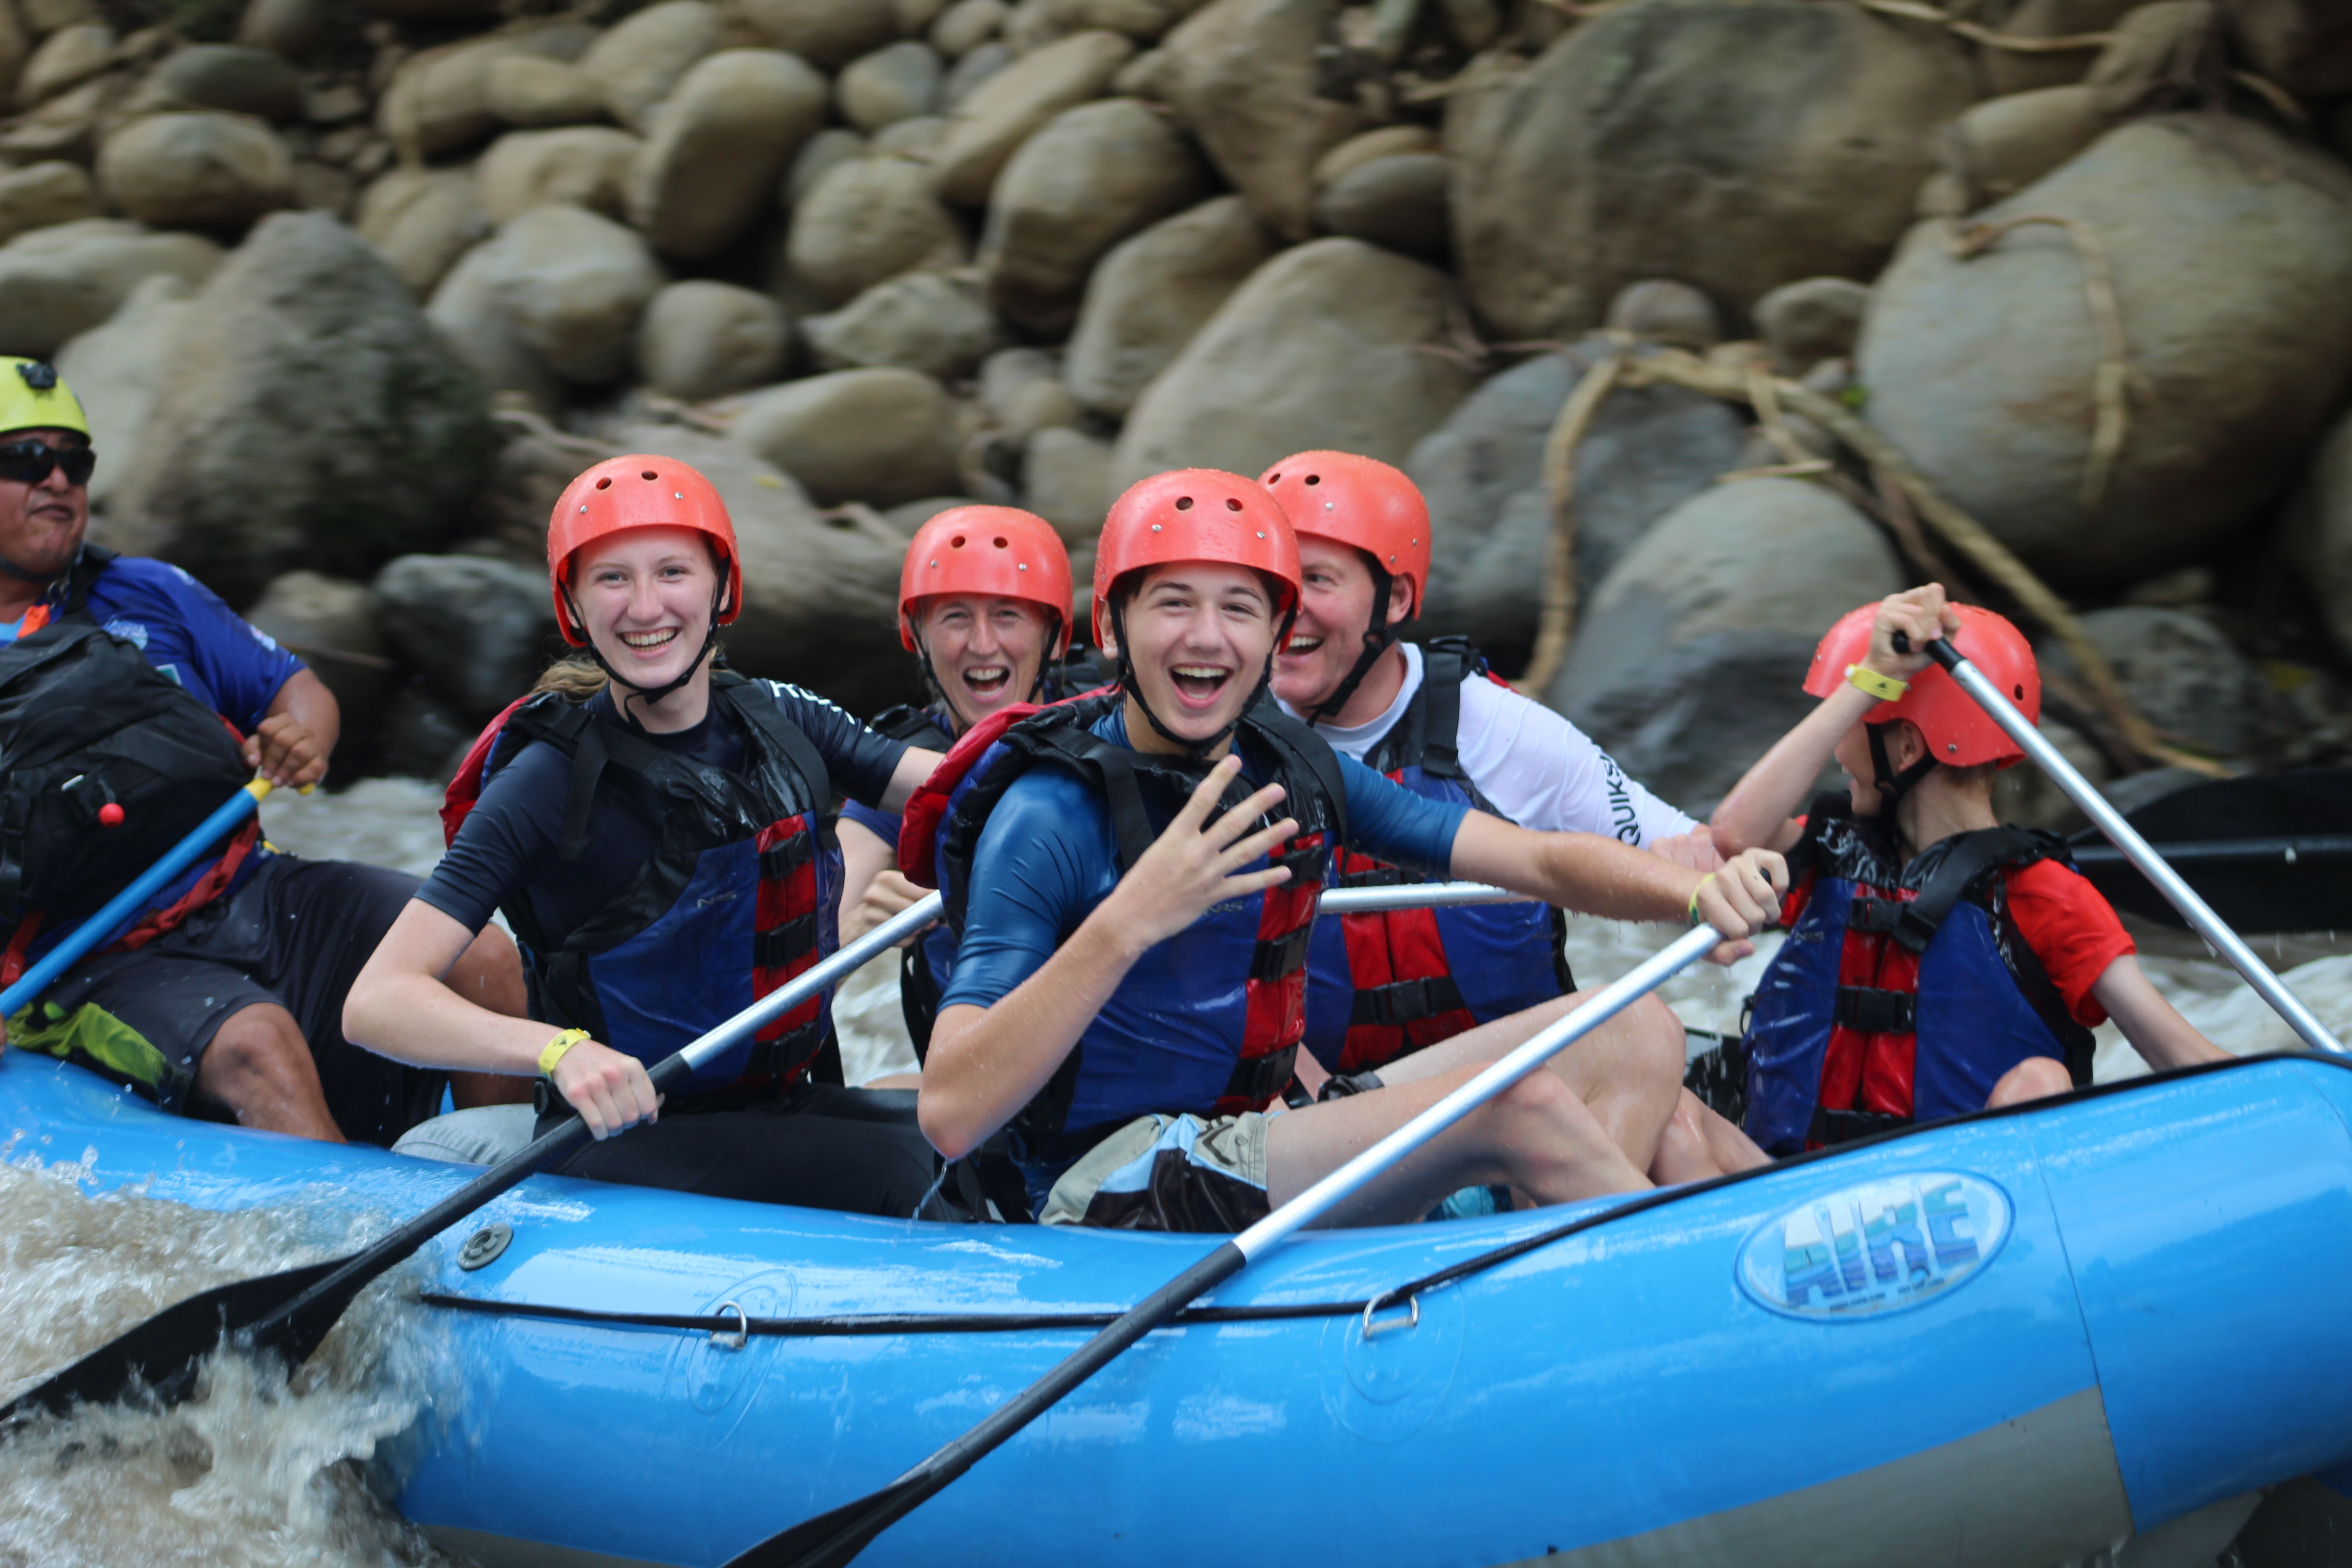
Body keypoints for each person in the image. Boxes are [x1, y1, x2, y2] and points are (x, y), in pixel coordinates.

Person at [904, 469, 1788, 1231]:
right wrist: (1126, 922)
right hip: (1105, 1181)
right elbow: (949, 1111)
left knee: (1633, 1029)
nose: (1206, 636)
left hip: (1260, 1129)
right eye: (1173, 602)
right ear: (1109, 625)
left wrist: (1690, 895)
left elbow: (1542, 862)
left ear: (1274, 632)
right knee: (1520, 1105)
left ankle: (1548, 1289)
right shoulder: (1047, 813)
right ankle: (1653, 1301)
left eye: (1238, 607)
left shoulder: (1290, 767)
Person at [345, 454, 956, 1215]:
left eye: (672, 572)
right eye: (612, 579)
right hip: (627, 1136)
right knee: (921, 1171)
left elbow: (957, 788)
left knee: (972, 1136)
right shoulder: (548, 783)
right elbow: (377, 1001)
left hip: (776, 1105)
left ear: (722, 587)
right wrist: (556, 1051)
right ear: (573, 607)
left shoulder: (779, 718)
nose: (644, 607)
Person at [0, 357, 528, 1145]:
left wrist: (301, 736)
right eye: (24, 461)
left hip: (248, 886)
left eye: (74, 462)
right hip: (84, 960)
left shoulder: (147, 591)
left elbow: (296, 689)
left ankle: (502, 1193)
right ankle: (351, 1222)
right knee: (258, 1044)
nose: (57, 481)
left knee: (478, 953)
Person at [1259, 454, 1726, 1119]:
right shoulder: (1227, 741)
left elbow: (1687, 852)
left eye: (1318, 580)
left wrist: (1708, 882)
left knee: (1679, 1119)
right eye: (1276, 581)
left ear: (1396, 599)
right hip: (1329, 1123)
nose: (1289, 609)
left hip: (1514, 1102)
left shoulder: (1497, 728)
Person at [1709, 584, 2230, 1156]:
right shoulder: (1831, 852)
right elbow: (1735, 834)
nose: (1836, 751)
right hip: (1791, 1185)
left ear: (1908, 749)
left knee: (2041, 1083)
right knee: (1678, 1111)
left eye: (1855, 723)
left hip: (1964, 1198)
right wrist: (1869, 682)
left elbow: (2181, 1056)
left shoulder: (2047, 897)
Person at [838, 509, 1078, 1068]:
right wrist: (853, 934)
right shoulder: (899, 764)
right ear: (916, 637)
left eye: (1008, 615)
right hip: (977, 1068)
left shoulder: (1109, 740)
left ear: (1056, 638)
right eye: (955, 618)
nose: (982, 643)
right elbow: (811, 941)